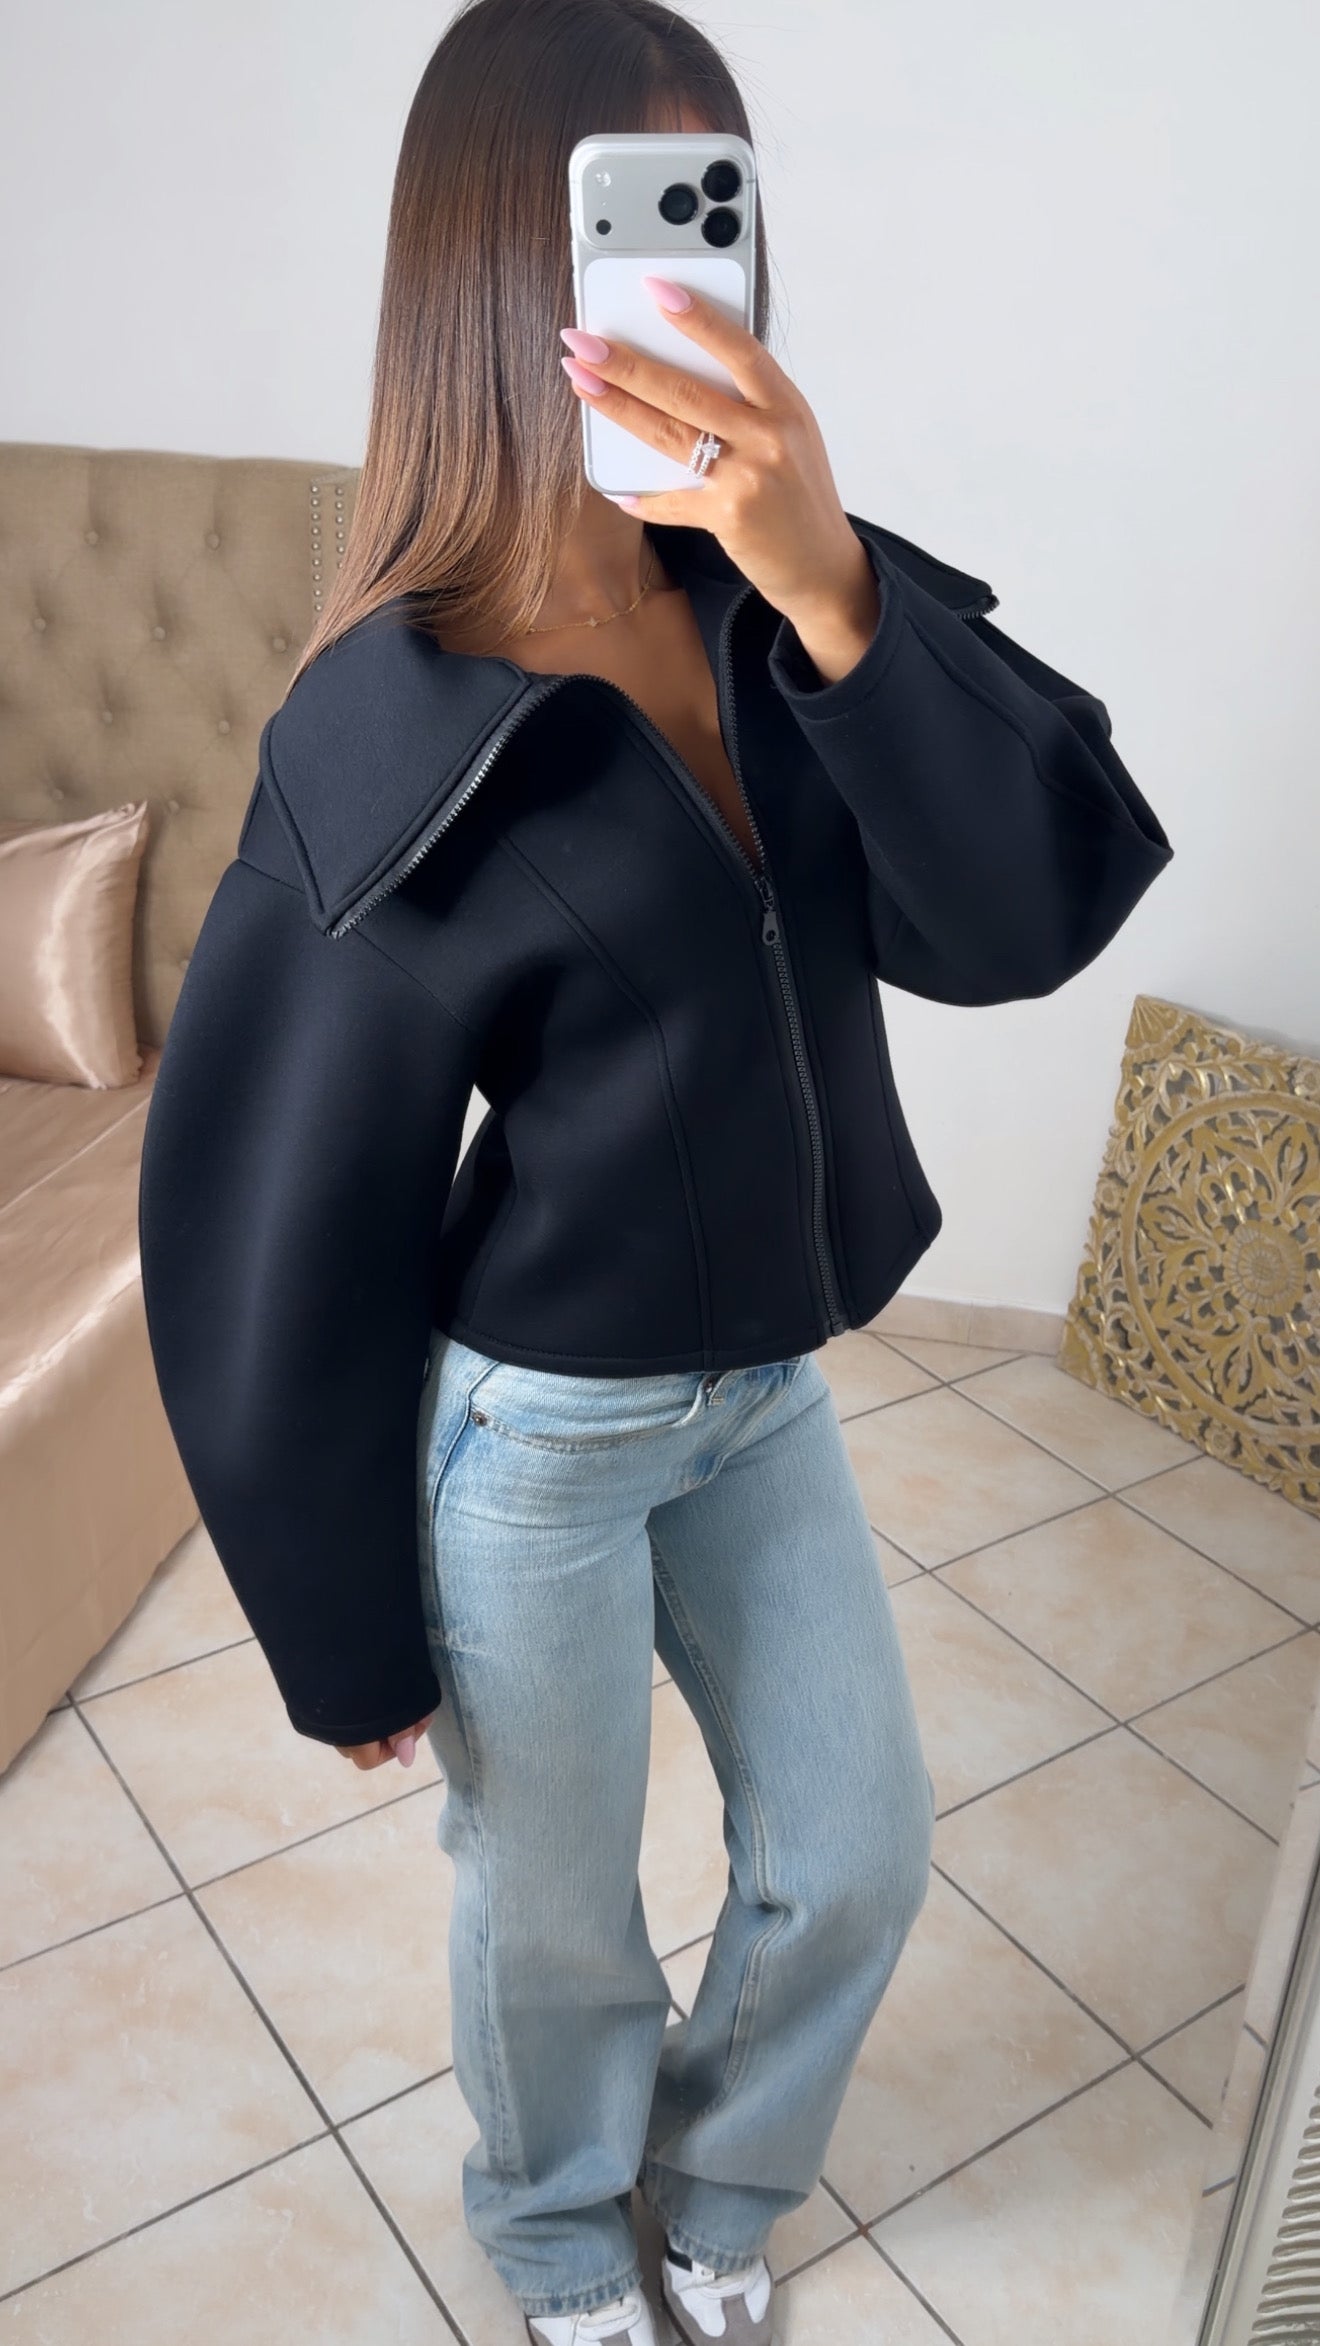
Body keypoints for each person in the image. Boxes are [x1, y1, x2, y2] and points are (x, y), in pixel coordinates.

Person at [137, 2, 1174, 2341]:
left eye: (713, 217)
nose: (683, 285)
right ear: (498, 273)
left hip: (765, 1396)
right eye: (626, 226)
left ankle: (716, 2190)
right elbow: (272, 1218)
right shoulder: (392, 722)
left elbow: (1020, 916)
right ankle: (548, 2238)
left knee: (856, 1855)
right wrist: (333, 1619)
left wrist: (836, 591)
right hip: (539, 1437)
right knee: (556, 1913)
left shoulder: (788, 604)